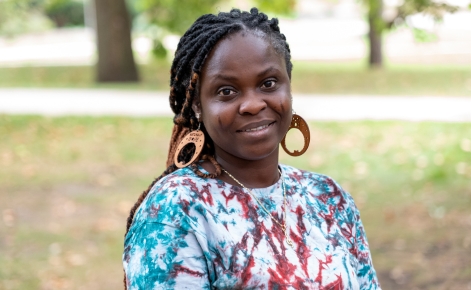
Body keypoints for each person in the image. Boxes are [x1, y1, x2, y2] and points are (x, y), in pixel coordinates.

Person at [123, 8, 381, 290]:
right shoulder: (175, 210)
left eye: (268, 84)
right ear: (198, 105)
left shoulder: (329, 198)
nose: (253, 104)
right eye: (226, 91)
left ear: (289, 87)